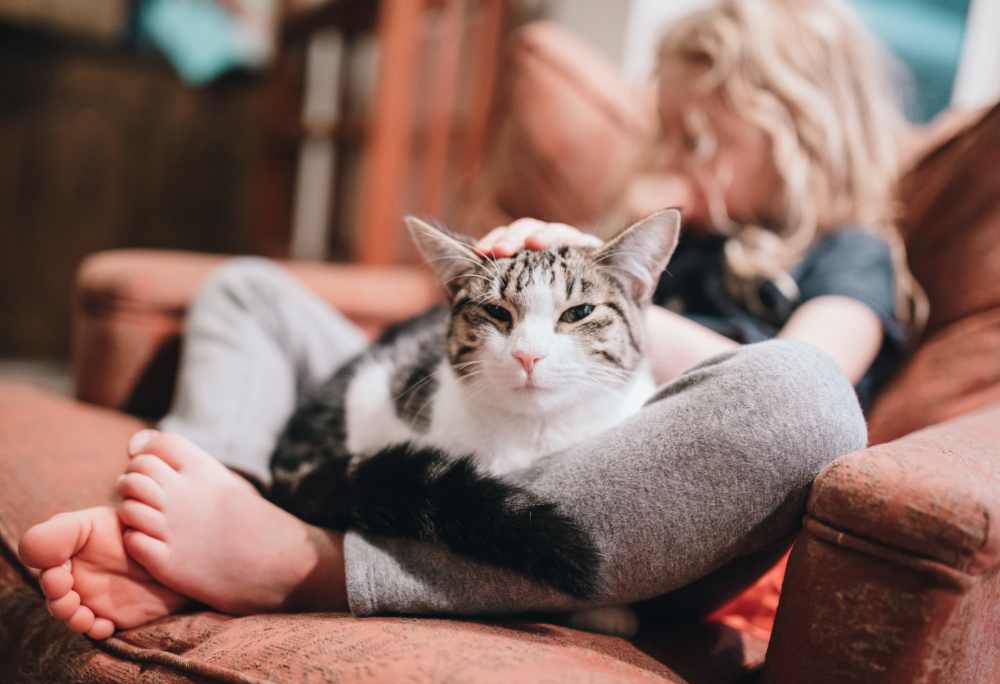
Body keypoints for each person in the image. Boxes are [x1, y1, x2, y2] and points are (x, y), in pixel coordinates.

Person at [19, 0, 914, 641]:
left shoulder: (846, 256)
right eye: (667, 131)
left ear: (801, 125)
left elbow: (822, 374)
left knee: (799, 396)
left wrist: (620, 290)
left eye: (700, 138)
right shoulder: (655, 221)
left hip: (638, 514)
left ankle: (311, 564)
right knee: (247, 289)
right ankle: (208, 497)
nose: (674, 157)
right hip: (487, 418)